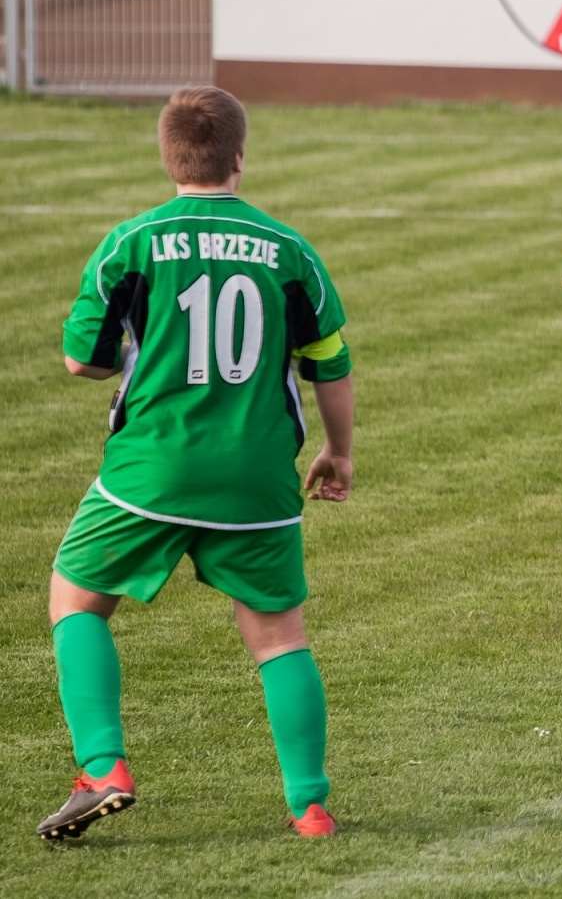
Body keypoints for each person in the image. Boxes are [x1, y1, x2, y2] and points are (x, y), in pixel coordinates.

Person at [38, 87, 353, 840]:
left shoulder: (132, 243)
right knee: (279, 638)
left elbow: (81, 362)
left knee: (74, 600)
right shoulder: (290, 251)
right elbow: (330, 364)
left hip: (152, 473)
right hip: (257, 476)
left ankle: (104, 766)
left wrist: (134, 351)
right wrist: (338, 451)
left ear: (169, 156)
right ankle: (309, 804)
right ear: (239, 157)